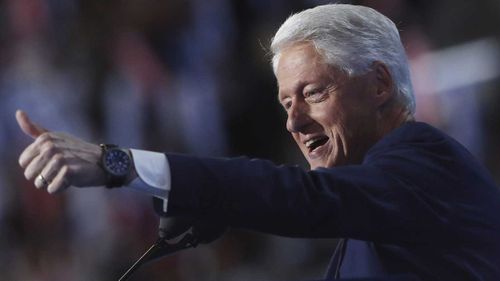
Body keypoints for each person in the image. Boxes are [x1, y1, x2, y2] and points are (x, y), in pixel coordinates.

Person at [16, 4, 500, 281]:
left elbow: (298, 198)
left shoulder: (425, 164)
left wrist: (117, 164)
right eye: (285, 102)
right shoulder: (375, 203)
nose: (294, 122)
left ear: (378, 85)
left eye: (313, 93)